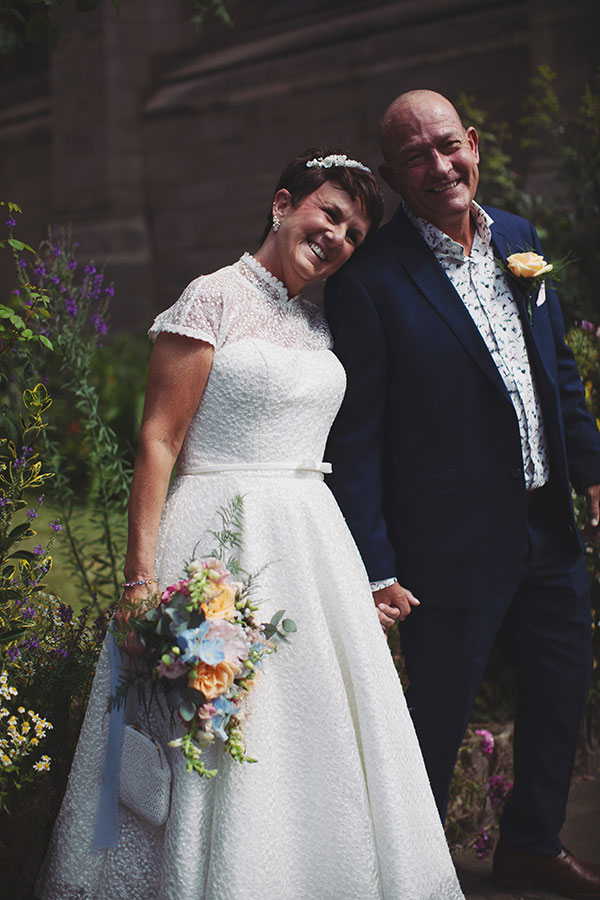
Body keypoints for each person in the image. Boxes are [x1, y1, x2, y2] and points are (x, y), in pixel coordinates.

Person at [36, 147, 465, 900]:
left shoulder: (318, 320)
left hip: (311, 545)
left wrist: (354, 585)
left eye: (354, 234)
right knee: (205, 730)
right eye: (330, 213)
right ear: (282, 203)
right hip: (216, 543)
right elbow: (159, 440)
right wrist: (140, 583)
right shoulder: (211, 297)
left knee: (311, 736)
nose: (338, 237)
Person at [324, 90, 600, 899]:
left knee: (561, 688)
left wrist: (593, 469)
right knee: (436, 718)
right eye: (416, 156)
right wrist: (377, 565)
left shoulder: (517, 237)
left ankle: (531, 845)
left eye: (449, 145)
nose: (440, 166)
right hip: (446, 546)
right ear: (391, 175)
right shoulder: (369, 281)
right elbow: (357, 439)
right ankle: (397, 872)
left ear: (472, 143)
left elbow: (557, 374)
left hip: (546, 525)